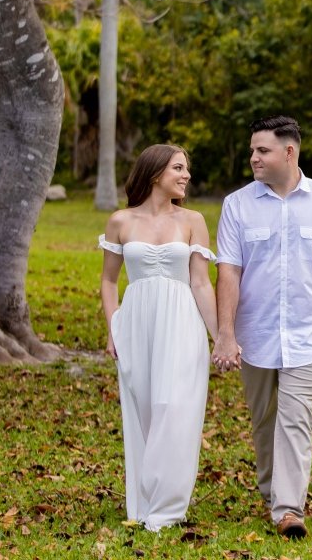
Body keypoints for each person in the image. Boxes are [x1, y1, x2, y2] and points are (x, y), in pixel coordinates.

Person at [211, 115, 312, 538]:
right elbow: (229, 272)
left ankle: (287, 509)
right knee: (264, 421)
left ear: (289, 152)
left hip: (308, 336)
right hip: (255, 336)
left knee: (295, 419)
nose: (254, 158)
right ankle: (271, 491)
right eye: (252, 151)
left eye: (262, 150)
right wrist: (225, 333)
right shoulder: (237, 205)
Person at [98, 144, 221, 531]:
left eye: (187, 169)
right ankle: (144, 501)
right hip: (135, 322)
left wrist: (220, 337)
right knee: (144, 409)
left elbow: (201, 283)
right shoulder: (120, 221)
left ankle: (168, 508)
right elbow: (108, 280)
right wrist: (112, 327)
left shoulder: (193, 221)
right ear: (155, 174)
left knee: (176, 408)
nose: (186, 175)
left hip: (181, 320)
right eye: (179, 168)